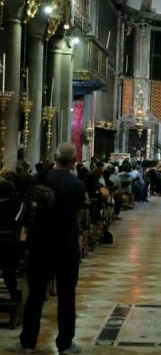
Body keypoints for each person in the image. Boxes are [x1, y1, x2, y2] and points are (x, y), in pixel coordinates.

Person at [8, 143, 86, 355]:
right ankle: (65, 344)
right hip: (66, 245)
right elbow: (78, 215)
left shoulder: (39, 178)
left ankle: (27, 343)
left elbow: (28, 209)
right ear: (73, 161)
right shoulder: (77, 185)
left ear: (55, 157)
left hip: (39, 244)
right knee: (66, 296)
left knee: (35, 295)